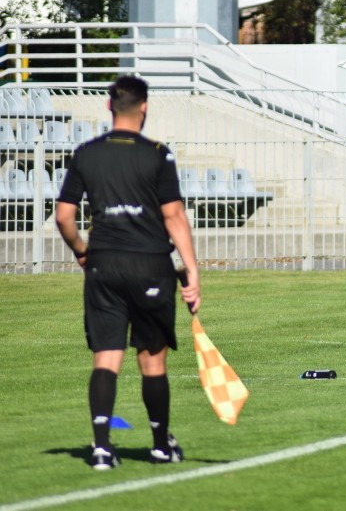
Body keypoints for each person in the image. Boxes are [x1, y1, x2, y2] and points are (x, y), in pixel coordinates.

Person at [55, 75, 201, 470]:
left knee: (106, 356)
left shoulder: (86, 153)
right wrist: (191, 270)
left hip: (104, 264)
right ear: (145, 107)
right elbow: (173, 215)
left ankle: (101, 447)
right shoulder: (158, 154)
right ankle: (159, 445)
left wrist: (82, 252)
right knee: (152, 360)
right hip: (151, 265)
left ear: (108, 106)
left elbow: (64, 216)